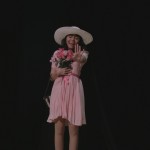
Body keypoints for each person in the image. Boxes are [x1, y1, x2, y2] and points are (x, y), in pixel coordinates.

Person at [47, 26, 93, 150]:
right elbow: (52, 76)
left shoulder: (82, 53)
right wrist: (58, 72)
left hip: (74, 90)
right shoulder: (57, 53)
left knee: (73, 131)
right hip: (59, 89)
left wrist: (79, 58)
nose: (73, 39)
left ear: (79, 40)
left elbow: (83, 59)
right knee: (59, 130)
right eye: (70, 36)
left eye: (76, 37)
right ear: (66, 38)